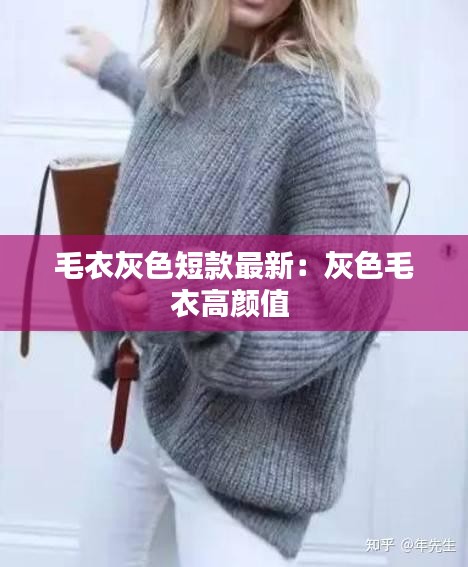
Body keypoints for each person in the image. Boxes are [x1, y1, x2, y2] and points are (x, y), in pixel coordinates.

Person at [65, 1, 391, 566]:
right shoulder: (190, 72)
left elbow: (352, 286)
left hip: (240, 449)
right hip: (145, 400)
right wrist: (114, 68)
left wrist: (194, 302)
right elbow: (193, 128)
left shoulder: (321, 108)